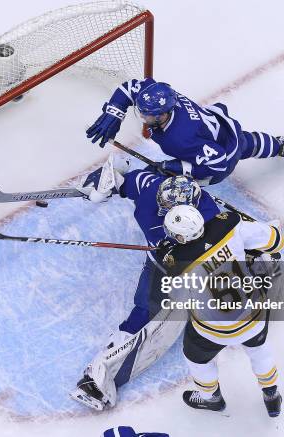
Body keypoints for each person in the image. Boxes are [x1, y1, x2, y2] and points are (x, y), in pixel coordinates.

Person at [70, 156, 220, 410]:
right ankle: (99, 377)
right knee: (144, 314)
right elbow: (129, 179)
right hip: (161, 264)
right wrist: (108, 180)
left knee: (173, 317)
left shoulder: (208, 216)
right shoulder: (153, 189)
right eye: (161, 202)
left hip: (189, 268)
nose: (159, 207)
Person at [161, 204, 284, 417]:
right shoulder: (228, 226)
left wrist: (166, 255)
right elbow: (276, 241)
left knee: (197, 359)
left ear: (180, 238)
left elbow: (176, 298)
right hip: (253, 315)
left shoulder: (177, 263)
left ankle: (212, 399)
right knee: (258, 349)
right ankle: (272, 396)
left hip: (212, 330)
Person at [86, 79, 284, 186]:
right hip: (217, 128)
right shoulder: (161, 93)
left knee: (173, 187)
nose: (143, 118)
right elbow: (132, 86)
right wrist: (115, 112)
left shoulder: (180, 140)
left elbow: (219, 162)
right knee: (248, 142)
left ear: (163, 114)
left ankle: (280, 146)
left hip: (223, 156)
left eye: (148, 115)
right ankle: (280, 145)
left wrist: (180, 167)